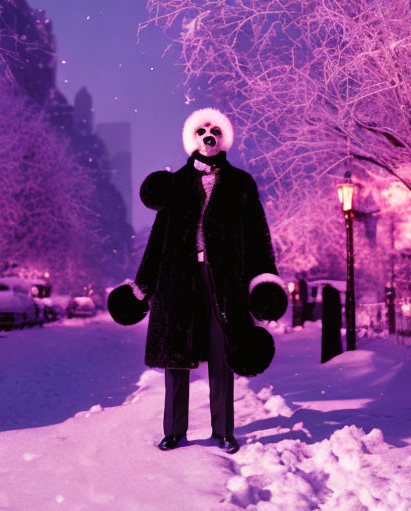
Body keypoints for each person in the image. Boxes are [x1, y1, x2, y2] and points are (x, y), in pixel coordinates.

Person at [107, 108, 287, 454]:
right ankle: (174, 430)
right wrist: (142, 287)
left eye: (215, 130)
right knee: (176, 355)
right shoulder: (175, 185)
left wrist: (264, 280)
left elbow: (257, 236)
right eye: (202, 130)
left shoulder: (241, 184)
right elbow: (158, 240)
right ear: (193, 138)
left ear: (223, 138)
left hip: (225, 282)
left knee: (223, 354)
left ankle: (223, 430)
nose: (209, 134)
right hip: (178, 280)